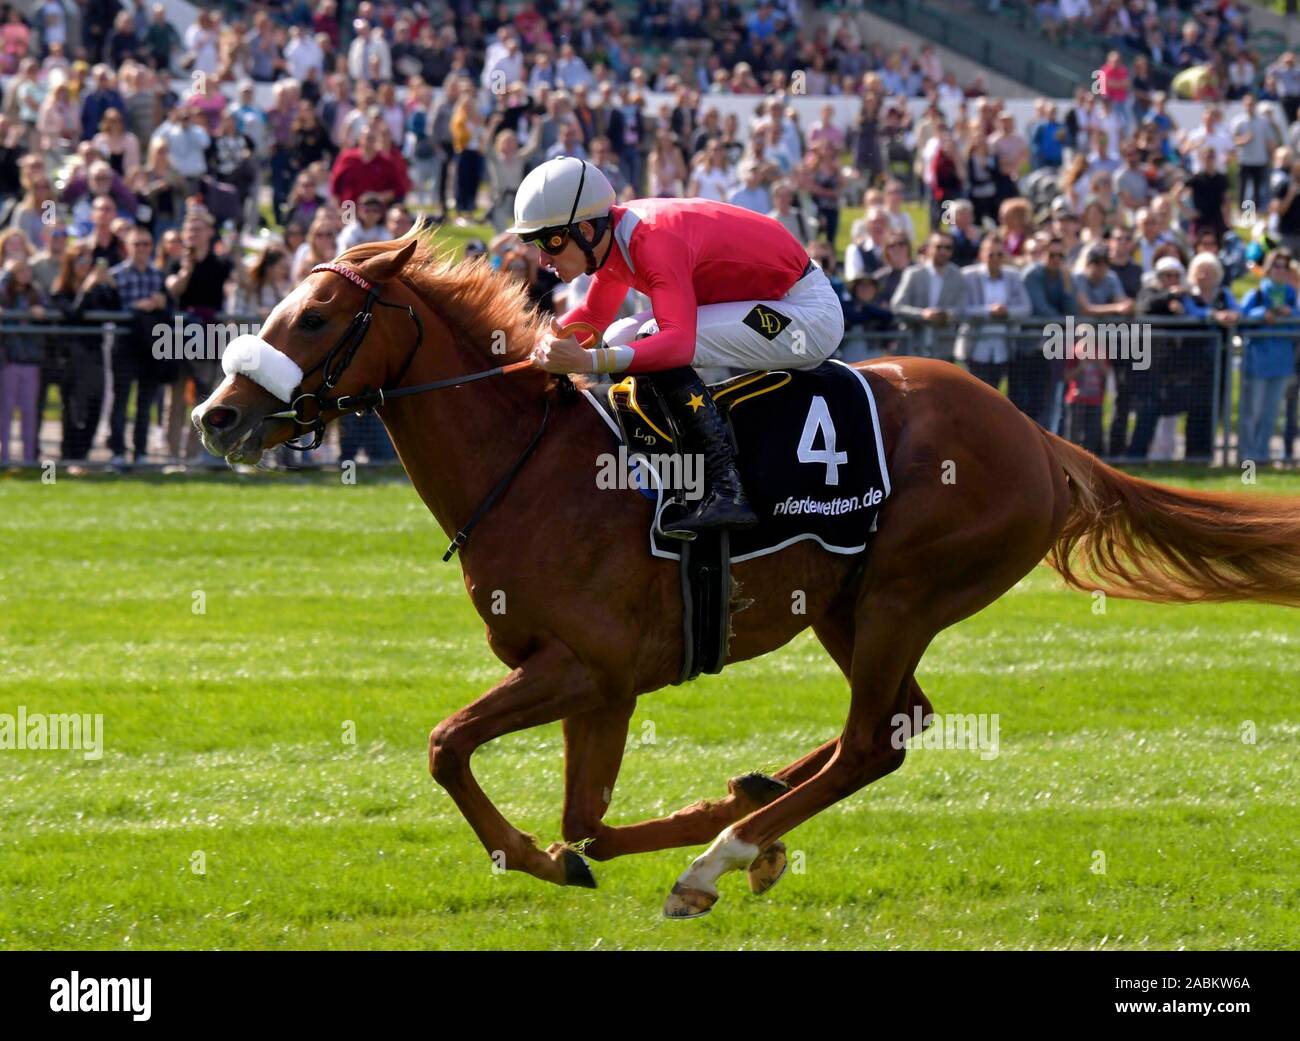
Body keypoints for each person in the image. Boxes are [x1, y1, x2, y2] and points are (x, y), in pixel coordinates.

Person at [514, 156, 844, 535]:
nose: (542, 258)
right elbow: (595, 317)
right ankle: (670, 460)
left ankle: (726, 487)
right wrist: (537, 344)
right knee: (623, 335)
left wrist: (586, 359)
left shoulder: (652, 239)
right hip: (771, 298)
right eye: (533, 242)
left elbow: (677, 343)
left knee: (647, 338)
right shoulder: (613, 237)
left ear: (586, 230)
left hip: (804, 313)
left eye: (549, 240)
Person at [107, 228, 168, 465]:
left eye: (146, 244)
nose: (142, 249)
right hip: (124, 345)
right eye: (137, 244)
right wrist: (137, 307)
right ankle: (118, 452)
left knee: (145, 401)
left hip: (150, 346)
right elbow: (109, 308)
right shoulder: (116, 275)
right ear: (128, 247)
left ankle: (140, 452)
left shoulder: (157, 275)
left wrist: (161, 303)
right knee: (121, 400)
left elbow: (168, 309)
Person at [1238, 249, 1300, 464]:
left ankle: (1262, 456)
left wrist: (1289, 313)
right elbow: (1241, 316)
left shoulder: (1291, 297)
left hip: (1282, 363)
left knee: (1271, 415)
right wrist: (1263, 314)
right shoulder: (1256, 294)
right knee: (1252, 412)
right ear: (1268, 268)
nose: (1281, 270)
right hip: (1258, 362)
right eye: (1277, 265)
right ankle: (1248, 456)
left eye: (1285, 266)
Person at [958, 234, 1031, 391]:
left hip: (1003, 348)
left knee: (995, 396)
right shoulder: (967, 276)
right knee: (973, 394)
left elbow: (1025, 308)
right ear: (982, 255)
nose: (996, 258)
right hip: (975, 347)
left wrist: (1007, 312)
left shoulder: (1013, 276)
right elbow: (962, 309)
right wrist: (989, 312)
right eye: (991, 254)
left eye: (1000, 254)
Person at [890, 231, 966, 363]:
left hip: (943, 348)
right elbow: (897, 306)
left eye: (948, 248)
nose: (943, 251)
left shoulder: (957, 275)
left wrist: (946, 316)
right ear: (929, 248)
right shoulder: (913, 273)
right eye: (938, 247)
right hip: (913, 346)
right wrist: (922, 314)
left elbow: (962, 309)